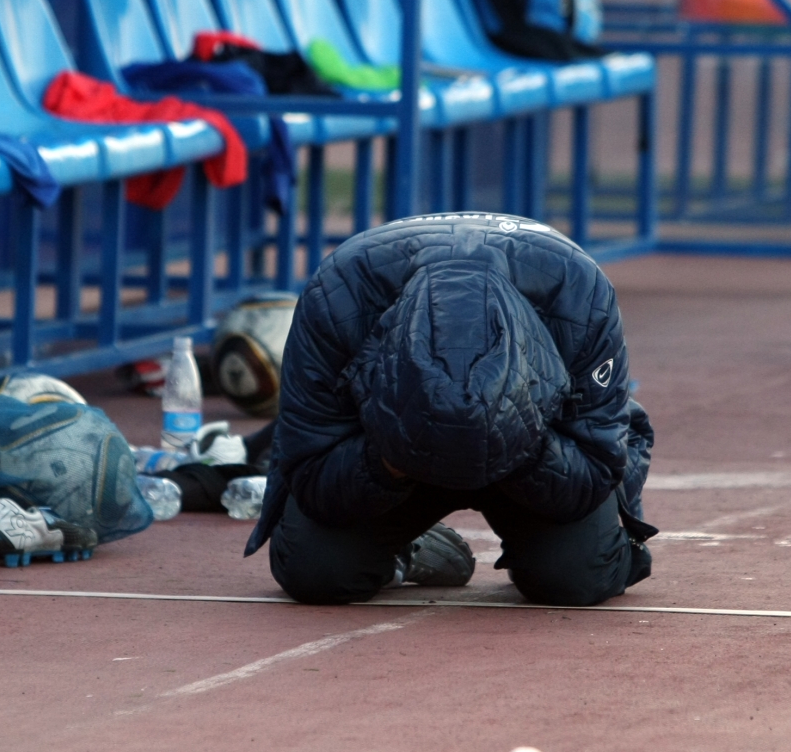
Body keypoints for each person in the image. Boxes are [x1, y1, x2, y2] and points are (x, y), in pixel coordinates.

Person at [243, 212, 655, 606]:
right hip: (394, 441)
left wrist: (512, 438)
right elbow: (309, 469)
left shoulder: (580, 294)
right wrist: (392, 456)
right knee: (315, 572)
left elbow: (595, 465)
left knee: (574, 577)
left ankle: (597, 508)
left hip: (528, 438)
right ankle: (410, 550)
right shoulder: (336, 299)